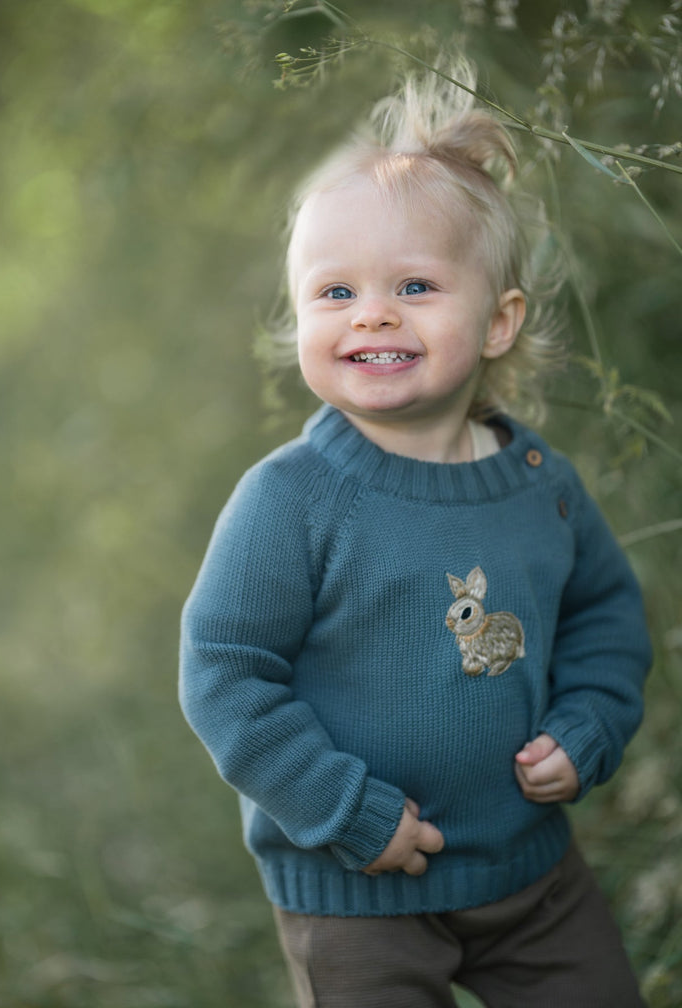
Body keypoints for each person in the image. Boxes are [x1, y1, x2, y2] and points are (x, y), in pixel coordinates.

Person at [179, 64, 652, 1007]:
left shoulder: (540, 484)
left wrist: (589, 724)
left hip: (534, 878)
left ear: (499, 322)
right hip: (358, 891)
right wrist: (344, 812)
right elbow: (224, 672)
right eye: (334, 292)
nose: (373, 312)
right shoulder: (291, 500)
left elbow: (605, 615)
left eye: (415, 285)